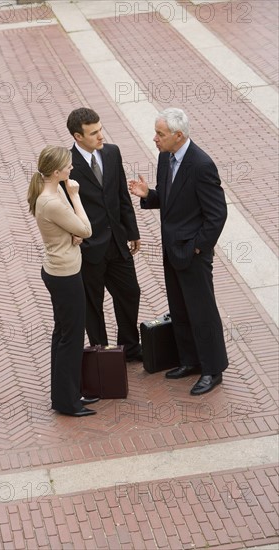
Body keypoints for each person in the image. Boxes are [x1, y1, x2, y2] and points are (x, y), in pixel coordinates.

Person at [129, 108, 228, 395]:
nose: (155, 139)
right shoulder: (165, 157)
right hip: (172, 251)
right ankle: (190, 361)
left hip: (193, 254)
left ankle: (212, 369)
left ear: (178, 135)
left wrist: (198, 247)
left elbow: (217, 215)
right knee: (180, 309)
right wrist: (149, 195)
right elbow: (172, 200)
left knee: (202, 312)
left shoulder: (201, 164)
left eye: (160, 134)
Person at [65, 108, 143, 362]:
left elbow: (121, 195)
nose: (101, 136)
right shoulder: (66, 166)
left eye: (100, 129)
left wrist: (132, 232)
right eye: (94, 132)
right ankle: (104, 354)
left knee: (130, 293)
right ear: (78, 136)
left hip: (117, 243)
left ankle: (130, 348)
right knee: (93, 305)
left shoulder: (112, 153)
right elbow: (64, 209)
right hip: (89, 248)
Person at [28, 145, 99, 416]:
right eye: (68, 166)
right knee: (70, 337)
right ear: (56, 171)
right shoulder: (54, 198)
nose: (72, 168)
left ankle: (66, 394)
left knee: (63, 334)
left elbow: (74, 229)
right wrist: (75, 196)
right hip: (64, 275)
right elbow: (86, 229)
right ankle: (68, 402)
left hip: (58, 271)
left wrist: (75, 233)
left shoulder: (50, 189)